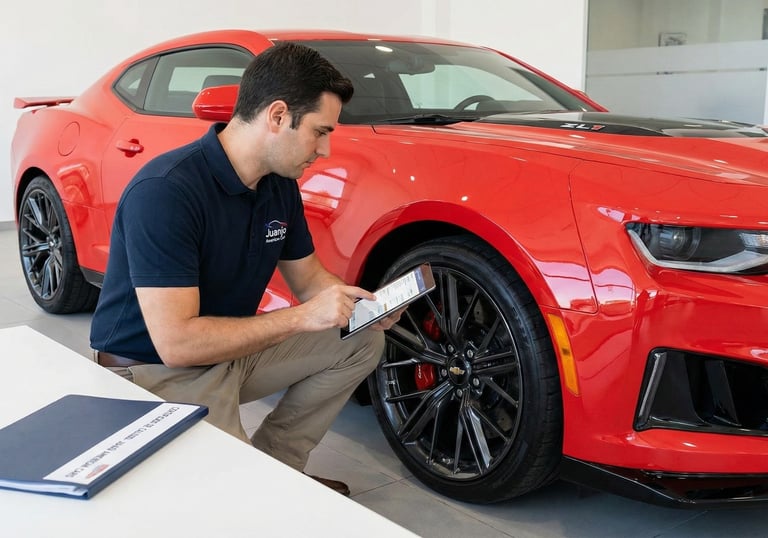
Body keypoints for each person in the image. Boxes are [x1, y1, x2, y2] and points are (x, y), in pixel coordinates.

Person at [89, 42, 391, 496]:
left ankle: (279, 466)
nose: (325, 150)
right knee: (240, 506)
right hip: (154, 371)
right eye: (319, 131)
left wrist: (355, 304)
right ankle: (258, 483)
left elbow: (309, 280)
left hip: (227, 353)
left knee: (363, 337)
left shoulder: (278, 185)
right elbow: (177, 344)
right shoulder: (167, 191)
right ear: (277, 116)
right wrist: (302, 318)